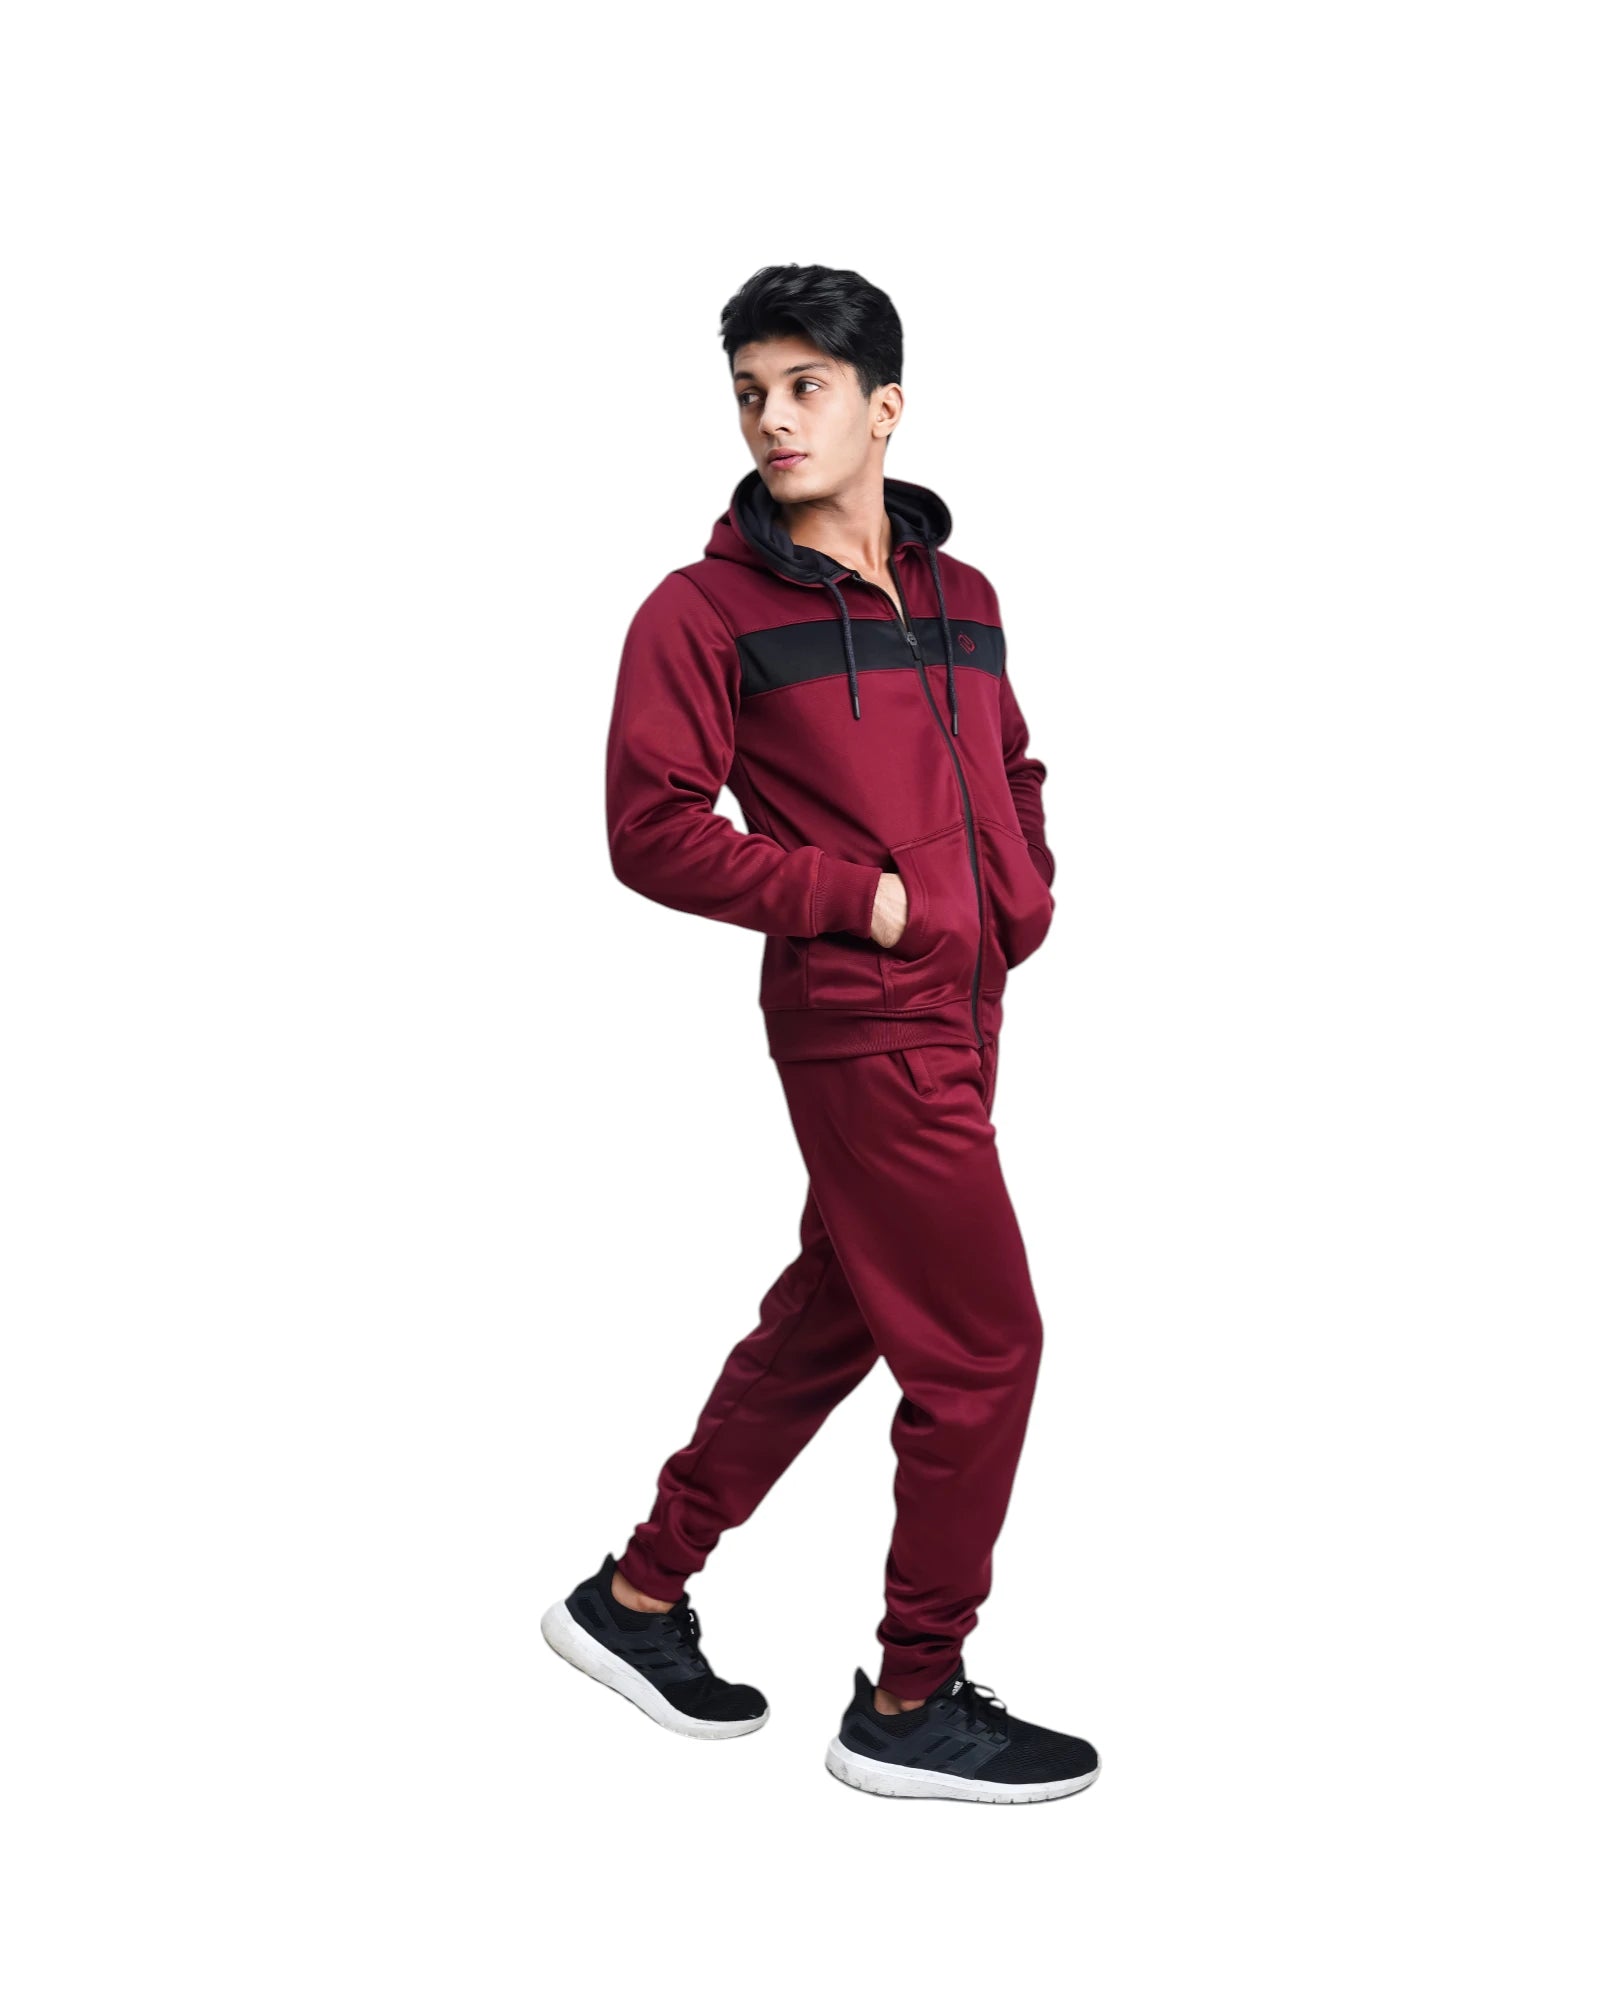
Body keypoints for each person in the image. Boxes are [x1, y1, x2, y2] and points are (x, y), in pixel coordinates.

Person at [542, 264, 1098, 1804]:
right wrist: (863, 902)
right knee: (985, 1351)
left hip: (968, 1010)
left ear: (884, 406)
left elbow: (1011, 765)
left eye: (805, 387)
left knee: (838, 1311)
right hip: (863, 1022)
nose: (772, 419)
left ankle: (638, 1594)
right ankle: (913, 1697)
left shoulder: (962, 595)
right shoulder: (702, 610)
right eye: (749, 393)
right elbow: (651, 831)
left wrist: (1019, 889)